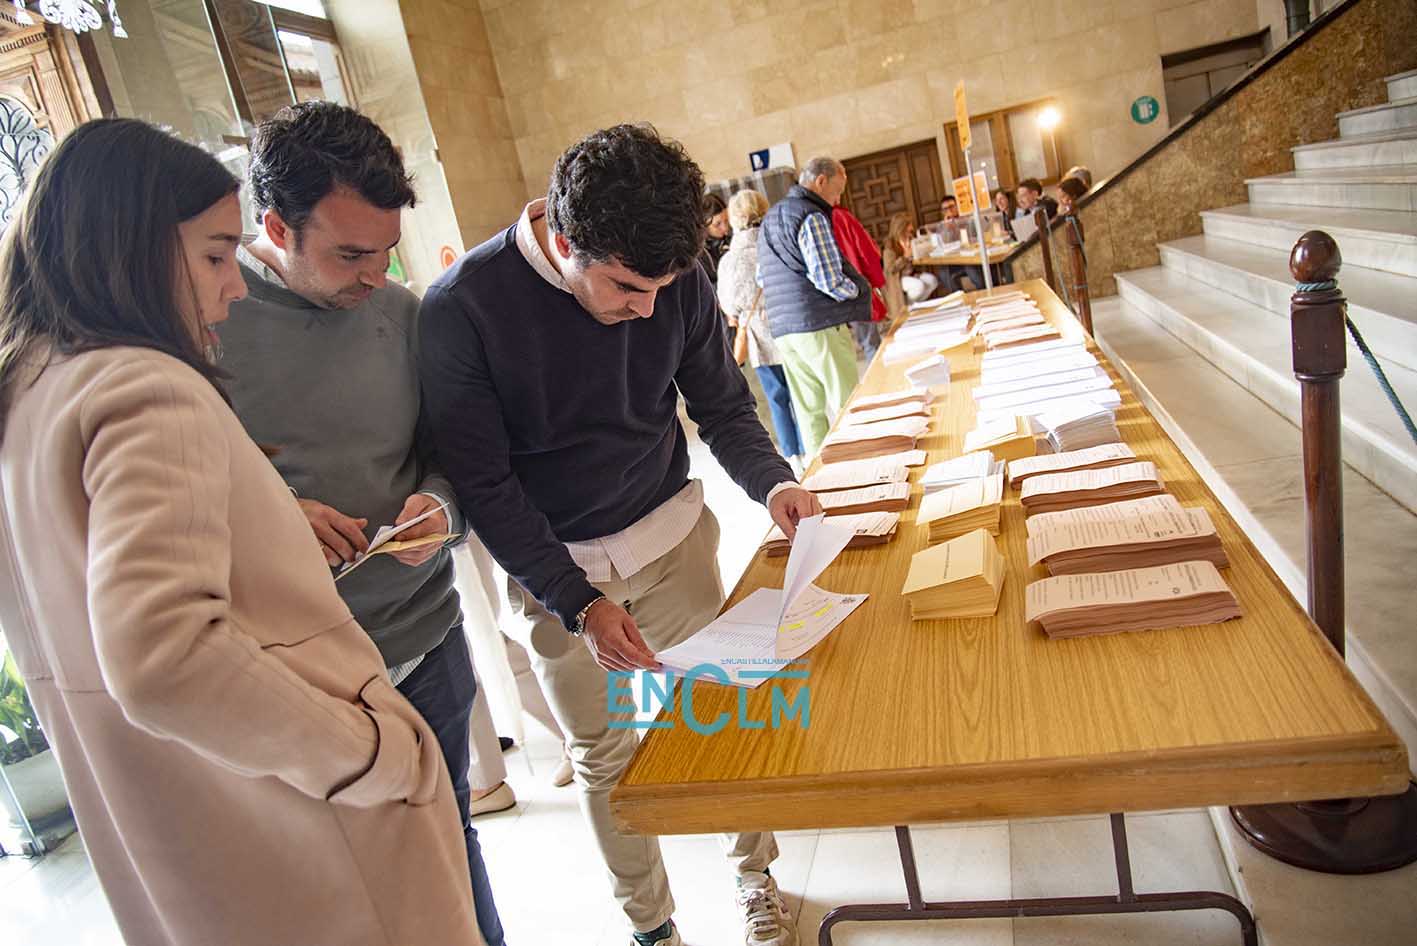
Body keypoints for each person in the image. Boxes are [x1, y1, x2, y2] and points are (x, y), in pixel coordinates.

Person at [0, 118, 483, 946]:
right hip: (293, 765)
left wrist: (436, 509)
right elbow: (165, 658)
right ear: (136, 249)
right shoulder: (150, 386)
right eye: (214, 257)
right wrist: (369, 751)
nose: (231, 289)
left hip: (182, 799)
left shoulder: (28, 384)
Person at [419, 123, 822, 946]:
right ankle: (652, 927)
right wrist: (576, 603)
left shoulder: (672, 273)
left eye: (662, 289)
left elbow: (722, 406)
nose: (645, 309)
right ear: (565, 242)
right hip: (552, 566)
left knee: (716, 715)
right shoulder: (463, 307)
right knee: (603, 754)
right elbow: (485, 485)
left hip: (670, 538)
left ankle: (755, 878)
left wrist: (774, 483)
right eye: (627, 288)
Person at [214, 102, 507, 945]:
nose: (376, 277)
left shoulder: (405, 313)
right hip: (299, 674)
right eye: (350, 255)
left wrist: (440, 507)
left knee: (450, 843)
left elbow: (449, 456)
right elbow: (179, 498)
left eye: (386, 251)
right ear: (276, 227)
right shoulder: (205, 321)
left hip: (426, 642)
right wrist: (276, 519)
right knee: (344, 888)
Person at [757, 156, 870, 458]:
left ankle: (824, 473)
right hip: (818, 323)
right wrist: (860, 291)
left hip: (784, 330)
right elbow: (828, 279)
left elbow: (762, 277)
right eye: (838, 190)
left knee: (808, 410)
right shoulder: (810, 215)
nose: (838, 199)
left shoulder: (770, 218)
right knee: (848, 402)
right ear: (821, 181)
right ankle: (863, 464)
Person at [718, 188, 805, 474]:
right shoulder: (778, 241)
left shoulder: (730, 259)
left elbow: (728, 303)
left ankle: (793, 455)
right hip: (790, 325)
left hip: (758, 335)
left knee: (777, 397)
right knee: (802, 391)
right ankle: (812, 445)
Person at [830, 202, 888, 364]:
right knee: (871, 343)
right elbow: (867, 251)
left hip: (829, 294)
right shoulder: (842, 217)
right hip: (855, 288)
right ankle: (878, 378)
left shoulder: (810, 217)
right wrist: (877, 282)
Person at [881, 212, 939, 319]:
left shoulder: (911, 239)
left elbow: (919, 252)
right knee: (919, 286)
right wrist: (905, 257)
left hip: (911, 273)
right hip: (897, 278)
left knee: (932, 280)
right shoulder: (890, 245)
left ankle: (912, 306)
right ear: (901, 227)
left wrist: (927, 240)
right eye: (909, 225)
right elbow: (890, 270)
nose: (911, 227)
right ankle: (909, 309)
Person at [699, 192, 730, 285]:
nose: (725, 228)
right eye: (717, 224)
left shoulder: (734, 237)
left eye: (726, 220)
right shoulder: (699, 255)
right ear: (704, 226)